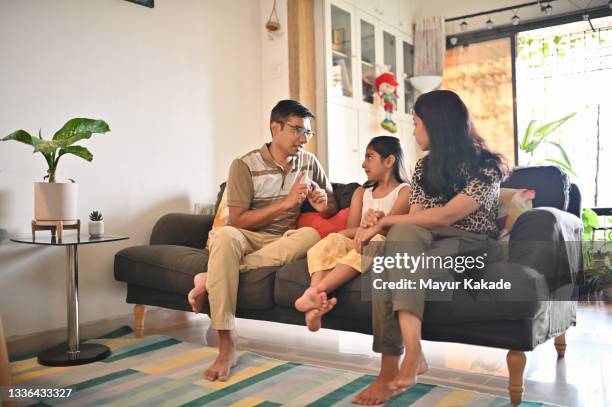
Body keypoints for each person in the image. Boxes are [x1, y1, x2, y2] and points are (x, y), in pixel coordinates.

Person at [352, 90, 508, 405]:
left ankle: (398, 367)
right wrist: (385, 219)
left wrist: (384, 224)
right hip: (431, 241)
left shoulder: (487, 165)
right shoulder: (425, 166)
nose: (413, 131)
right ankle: (412, 355)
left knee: (391, 257)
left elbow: (450, 214)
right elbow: (416, 219)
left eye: (417, 123)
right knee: (393, 250)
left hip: (471, 244)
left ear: (436, 125)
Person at [187, 100, 338, 382]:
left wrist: (322, 203)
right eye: (297, 130)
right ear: (275, 127)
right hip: (245, 235)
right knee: (225, 237)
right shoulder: (243, 165)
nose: (304, 139)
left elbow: (331, 204)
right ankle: (226, 344)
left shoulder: (309, 162)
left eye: (308, 133)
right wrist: (286, 203)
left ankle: (210, 278)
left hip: (282, 239)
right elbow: (239, 220)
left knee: (311, 235)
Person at [294, 136, 411, 332]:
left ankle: (316, 291)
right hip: (358, 237)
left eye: (369, 157)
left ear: (389, 161)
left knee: (373, 241)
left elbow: (391, 229)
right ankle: (314, 301)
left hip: (384, 242)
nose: (363, 164)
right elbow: (350, 231)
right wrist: (360, 229)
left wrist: (375, 225)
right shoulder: (360, 193)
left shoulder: (404, 192)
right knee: (331, 240)